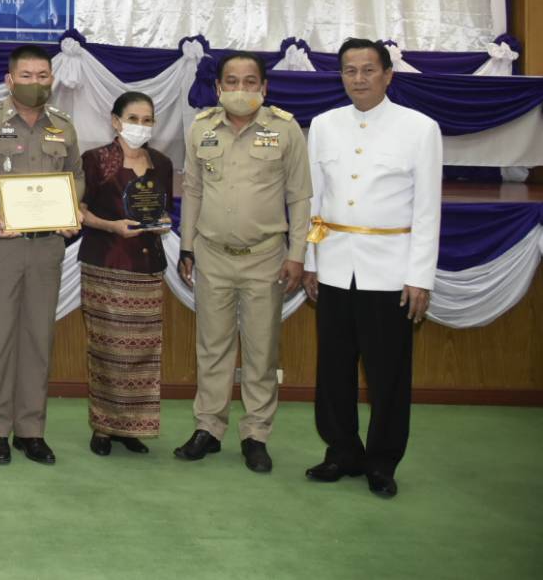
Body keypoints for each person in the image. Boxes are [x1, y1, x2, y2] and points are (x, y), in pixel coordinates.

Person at [304, 38, 441, 499]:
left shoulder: (420, 129)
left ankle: (382, 461)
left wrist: (420, 275)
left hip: (391, 271)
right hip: (336, 266)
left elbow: (427, 210)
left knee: (388, 374)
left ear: (388, 74)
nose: (358, 79)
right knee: (335, 369)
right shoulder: (323, 126)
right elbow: (315, 202)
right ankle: (342, 450)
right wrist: (310, 261)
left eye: (367, 70)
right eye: (349, 71)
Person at [175, 50, 311, 474]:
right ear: (217, 88)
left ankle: (256, 434)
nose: (240, 89)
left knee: (260, 351)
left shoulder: (286, 131)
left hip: (265, 258)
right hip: (212, 254)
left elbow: (300, 197)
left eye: (250, 81)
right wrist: (187, 246)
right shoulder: (200, 129)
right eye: (231, 81)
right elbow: (193, 190)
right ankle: (208, 429)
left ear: (264, 87)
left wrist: (297, 254)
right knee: (211, 348)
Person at [0, 44, 83, 466]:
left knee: (37, 339)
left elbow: (77, 175)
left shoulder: (64, 127)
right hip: (0, 245)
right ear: (10, 80)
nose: (36, 83)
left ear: (52, 79)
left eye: (43, 75)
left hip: (48, 246)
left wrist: (71, 211)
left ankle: (31, 430)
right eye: (27, 76)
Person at [78, 91, 173, 456]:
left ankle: (129, 427)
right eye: (133, 119)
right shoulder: (96, 160)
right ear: (116, 121)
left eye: (147, 120)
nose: (140, 126)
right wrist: (111, 226)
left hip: (148, 269)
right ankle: (103, 427)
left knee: (141, 354)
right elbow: (79, 209)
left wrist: (162, 221)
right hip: (107, 265)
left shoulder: (161, 163)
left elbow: (161, 208)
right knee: (107, 351)